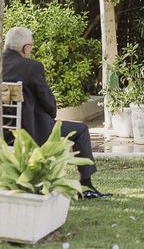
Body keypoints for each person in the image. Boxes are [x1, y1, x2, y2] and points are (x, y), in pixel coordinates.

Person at [2, 27, 111, 199]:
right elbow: (49, 106)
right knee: (81, 129)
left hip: (4, 135)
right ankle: (86, 187)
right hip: (30, 134)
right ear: (25, 48)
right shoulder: (32, 67)